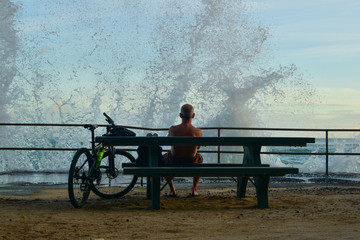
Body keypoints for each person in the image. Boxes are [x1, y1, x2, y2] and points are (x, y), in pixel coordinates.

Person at [163, 104, 203, 197]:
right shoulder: (198, 132)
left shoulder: (173, 129)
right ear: (193, 115)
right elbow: (198, 148)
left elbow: (168, 143)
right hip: (191, 162)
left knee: (164, 159)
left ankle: (172, 190)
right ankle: (194, 190)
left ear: (180, 115)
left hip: (174, 161)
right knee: (200, 158)